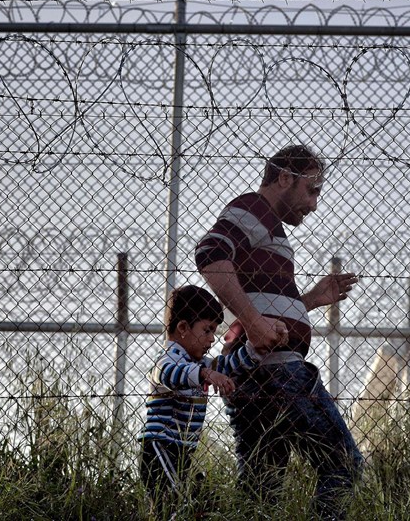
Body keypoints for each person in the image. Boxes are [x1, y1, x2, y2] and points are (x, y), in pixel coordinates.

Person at [195, 144, 363, 520]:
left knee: (261, 489)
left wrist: (310, 301)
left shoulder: (267, 227)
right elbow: (209, 252)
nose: (315, 204)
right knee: (342, 465)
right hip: (276, 371)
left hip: (252, 370)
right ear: (285, 177)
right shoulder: (252, 208)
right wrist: (253, 323)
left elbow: (268, 311)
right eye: (312, 190)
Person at [138, 284, 258, 515]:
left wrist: (256, 347)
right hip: (160, 447)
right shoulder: (169, 357)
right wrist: (205, 374)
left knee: (170, 508)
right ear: (183, 327)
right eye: (207, 330)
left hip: (182, 451)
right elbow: (167, 374)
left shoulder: (198, 363)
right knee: (175, 504)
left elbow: (227, 365)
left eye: (215, 331)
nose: (213, 339)